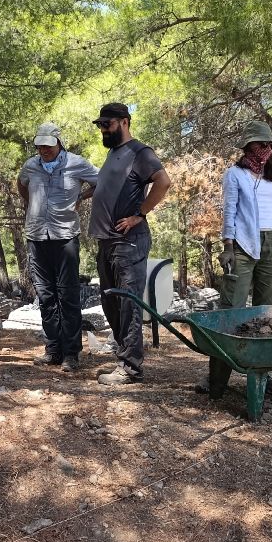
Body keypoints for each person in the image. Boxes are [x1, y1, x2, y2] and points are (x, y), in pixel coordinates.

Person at [89, 103, 171, 386]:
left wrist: (140, 214)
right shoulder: (113, 154)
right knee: (111, 302)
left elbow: (163, 181)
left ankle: (131, 367)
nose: (103, 130)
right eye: (100, 125)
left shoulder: (140, 153)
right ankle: (124, 357)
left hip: (129, 242)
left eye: (107, 125)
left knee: (128, 304)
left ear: (124, 122)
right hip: (107, 242)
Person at [17, 121, 99, 372]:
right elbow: (21, 184)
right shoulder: (31, 165)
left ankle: (71, 354)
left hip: (65, 237)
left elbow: (100, 181)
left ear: (58, 143)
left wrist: (81, 198)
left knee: (69, 296)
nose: (44, 149)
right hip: (36, 237)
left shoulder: (77, 163)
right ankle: (53, 349)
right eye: (40, 145)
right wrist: (32, 205)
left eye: (48, 145)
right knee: (46, 296)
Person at [218, 120, 272, 309]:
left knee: (271, 303)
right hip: (243, 242)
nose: (267, 149)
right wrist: (228, 245)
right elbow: (229, 210)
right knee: (233, 299)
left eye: (270, 145)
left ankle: (263, 337)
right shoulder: (235, 173)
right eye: (262, 144)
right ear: (249, 146)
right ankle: (229, 337)